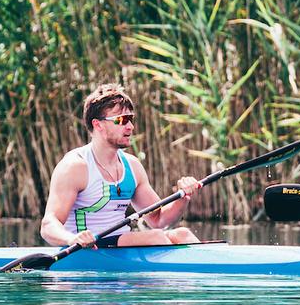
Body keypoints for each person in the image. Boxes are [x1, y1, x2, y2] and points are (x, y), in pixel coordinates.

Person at [40, 83, 201, 248]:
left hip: (120, 242)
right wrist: (71, 239)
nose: (130, 126)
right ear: (98, 125)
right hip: (87, 248)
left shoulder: (132, 166)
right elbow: (48, 225)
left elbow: (157, 219)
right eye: (122, 120)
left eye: (130, 119)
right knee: (155, 238)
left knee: (183, 234)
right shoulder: (75, 167)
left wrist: (183, 197)